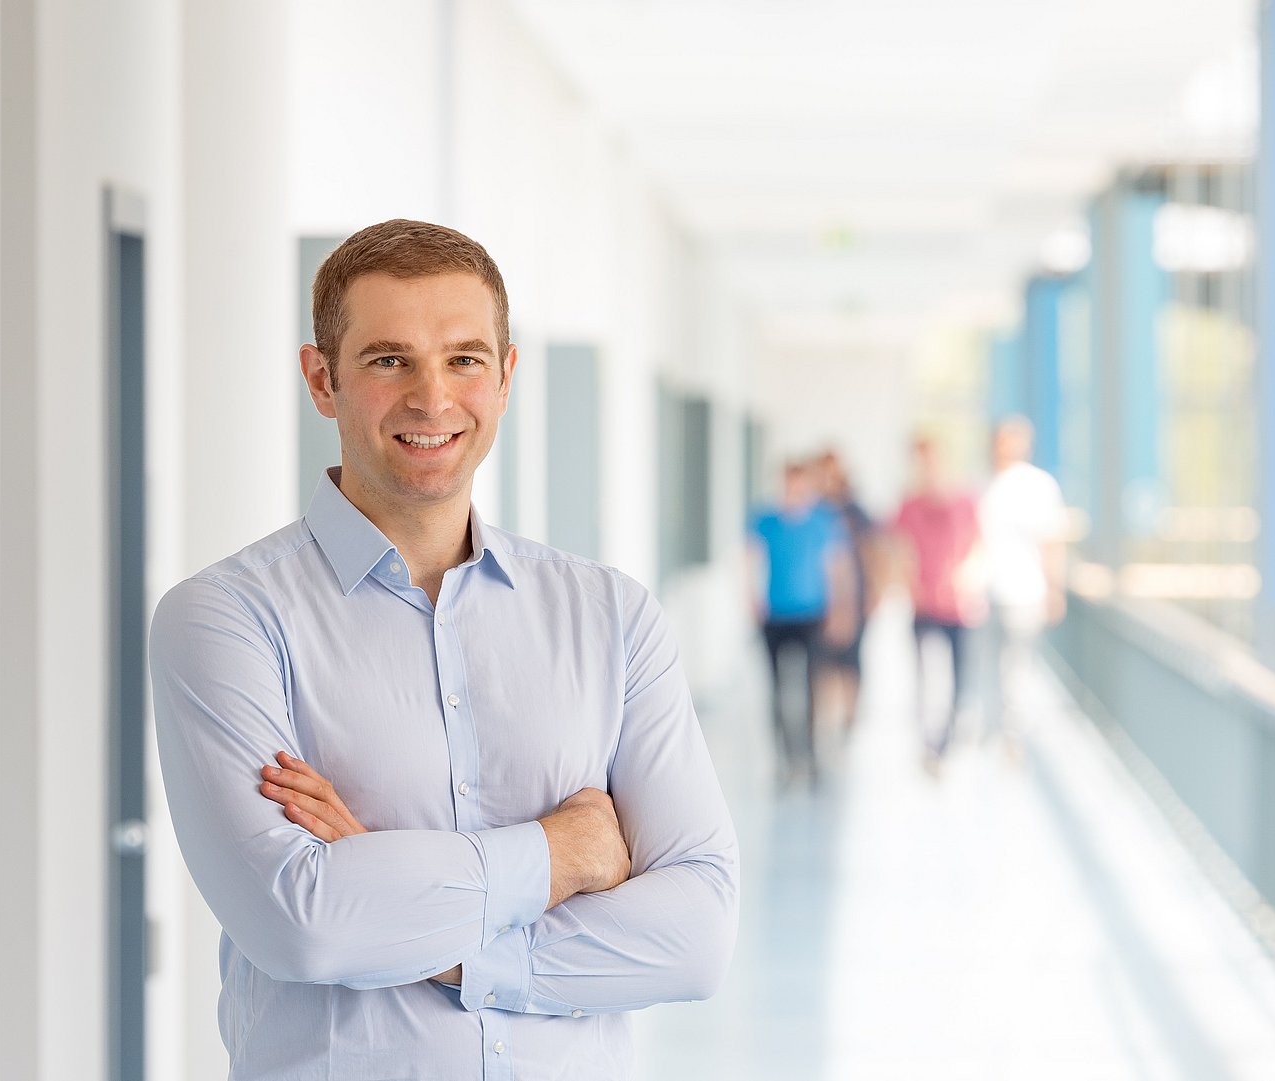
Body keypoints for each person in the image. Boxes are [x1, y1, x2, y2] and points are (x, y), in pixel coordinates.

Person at [149, 219, 739, 1081]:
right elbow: (304, 925)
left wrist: (421, 927)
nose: (432, 398)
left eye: (464, 359)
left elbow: (696, 938)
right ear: (322, 379)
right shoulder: (226, 620)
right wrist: (564, 853)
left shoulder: (611, 617)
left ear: (504, 377)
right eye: (389, 360)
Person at [747, 462, 854, 783]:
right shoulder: (764, 520)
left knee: (810, 687)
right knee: (777, 689)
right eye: (790, 486)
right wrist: (750, 599)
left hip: (812, 615)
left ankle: (810, 757)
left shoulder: (824, 521)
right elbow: (750, 560)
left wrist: (841, 609)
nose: (795, 493)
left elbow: (837, 568)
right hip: (775, 616)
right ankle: (784, 758)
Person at [975, 416, 1067, 755]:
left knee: (1017, 666)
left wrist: (1054, 589)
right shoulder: (982, 484)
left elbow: (1052, 542)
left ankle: (1012, 734)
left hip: (1025, 591)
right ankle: (990, 726)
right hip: (985, 592)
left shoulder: (1039, 486)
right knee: (987, 663)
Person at [892, 435, 980, 768]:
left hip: (958, 606)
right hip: (923, 605)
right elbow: (898, 548)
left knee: (958, 676)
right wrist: (907, 585)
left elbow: (978, 545)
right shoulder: (909, 505)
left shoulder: (965, 502)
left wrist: (966, 579)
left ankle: (949, 739)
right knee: (926, 677)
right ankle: (929, 743)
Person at [813, 450, 878, 737]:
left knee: (850, 658)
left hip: (855, 596)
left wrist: (875, 590)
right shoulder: (813, 510)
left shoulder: (856, 513)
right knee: (823, 660)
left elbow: (872, 552)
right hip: (820, 599)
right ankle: (827, 715)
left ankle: (850, 715)